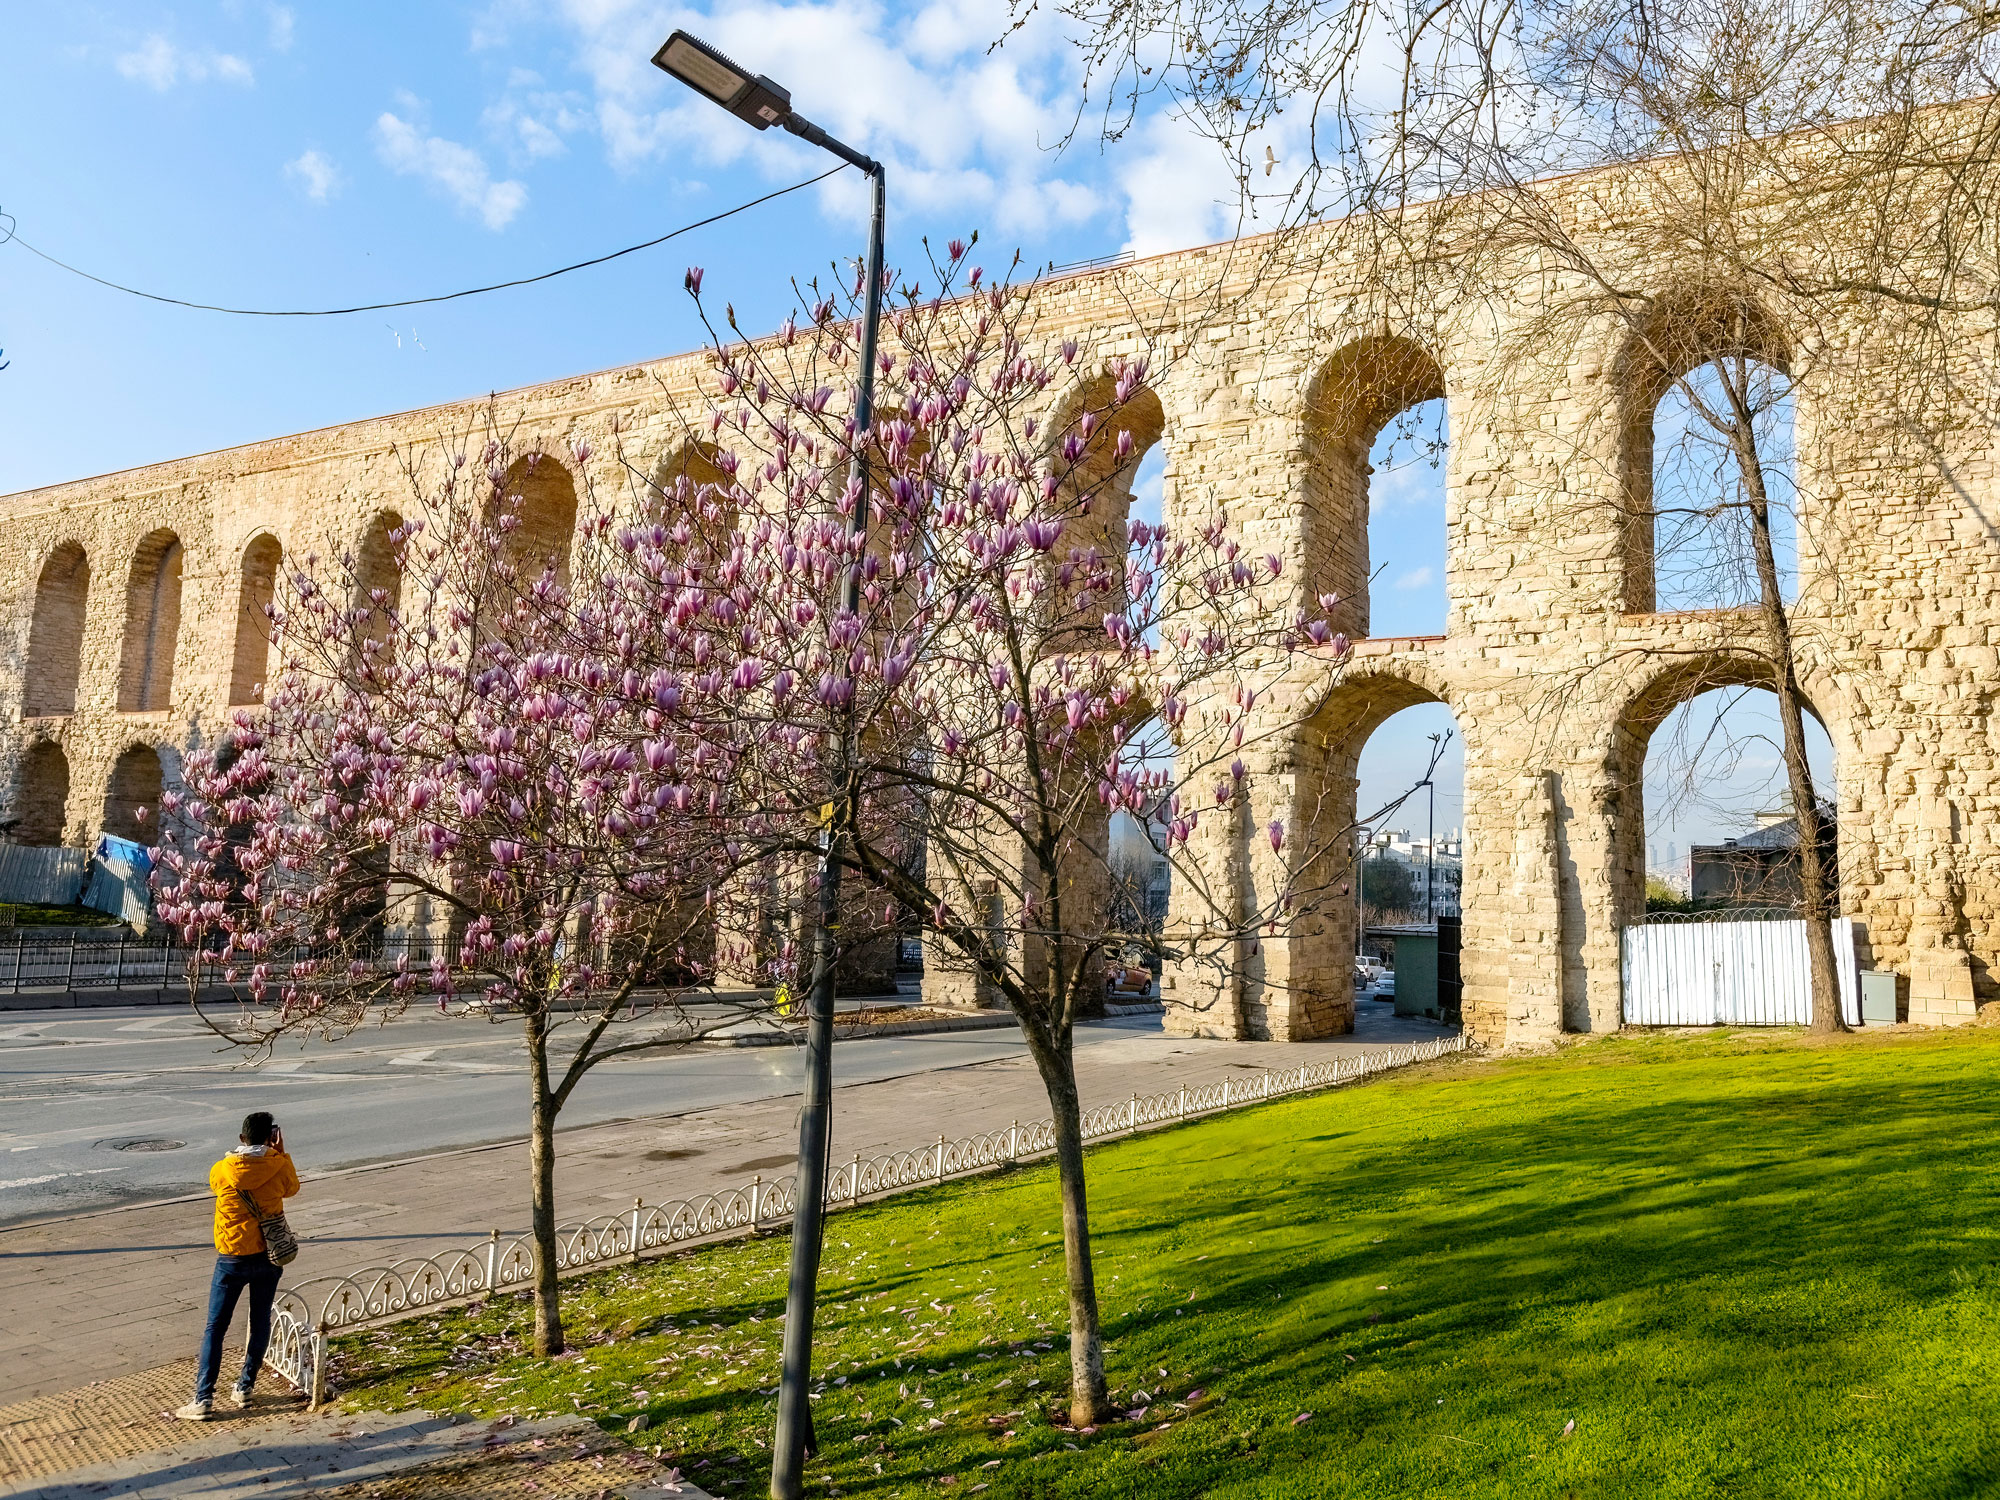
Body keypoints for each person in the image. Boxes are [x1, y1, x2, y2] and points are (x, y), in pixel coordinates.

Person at [176, 1111, 300, 1420]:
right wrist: (280, 1152)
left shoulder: (222, 1169)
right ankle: (244, 1388)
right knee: (259, 1322)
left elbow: (216, 1187)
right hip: (267, 1258)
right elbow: (291, 1189)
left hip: (231, 1259)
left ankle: (203, 1398)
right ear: (272, 1137)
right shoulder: (279, 1166)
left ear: (241, 1138)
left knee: (215, 1328)